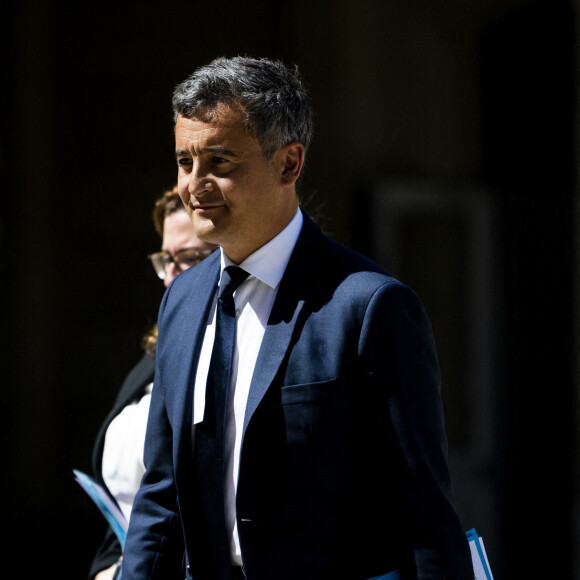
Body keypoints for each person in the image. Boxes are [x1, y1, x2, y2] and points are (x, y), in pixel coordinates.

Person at [121, 56, 474, 580]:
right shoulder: (183, 299)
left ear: (289, 164)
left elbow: (421, 515)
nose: (194, 185)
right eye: (184, 161)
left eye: (220, 162)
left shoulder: (368, 306)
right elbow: (160, 498)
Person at [88, 186, 217, 580]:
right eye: (166, 260)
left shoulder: (231, 351)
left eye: (190, 258)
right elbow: (125, 503)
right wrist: (109, 570)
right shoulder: (155, 352)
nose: (171, 277)